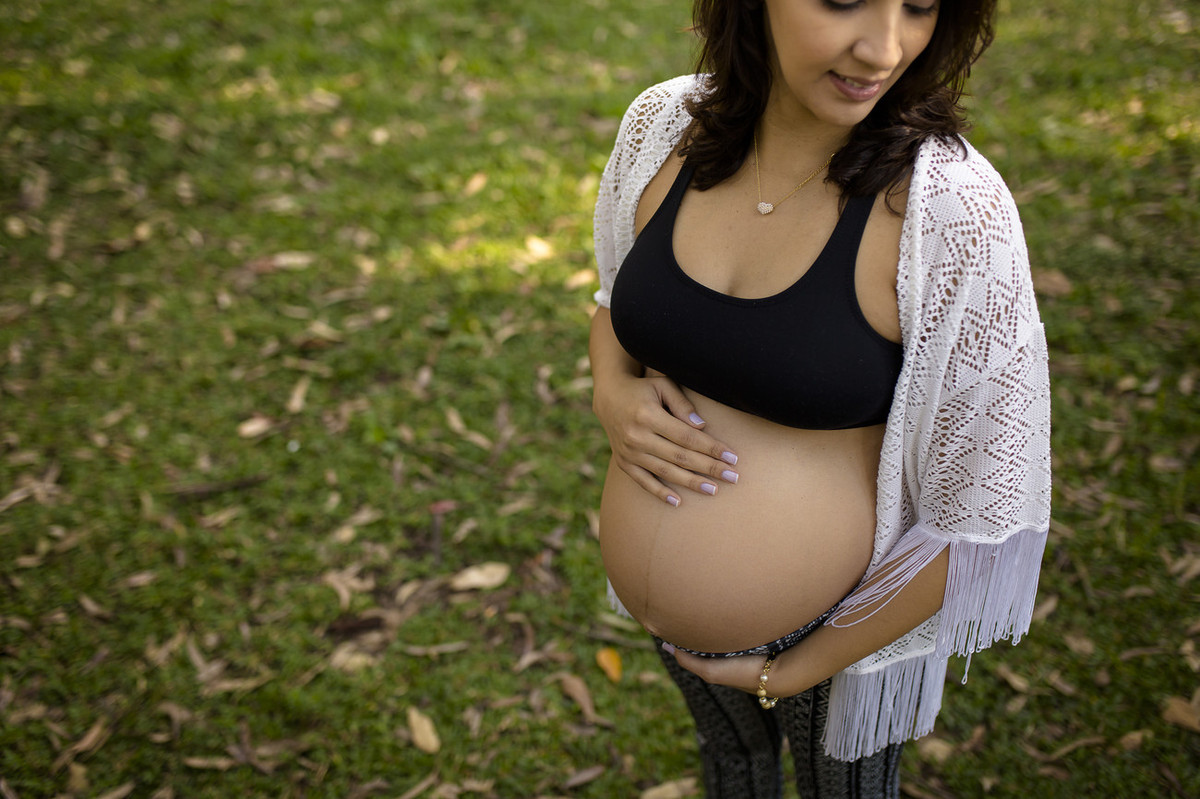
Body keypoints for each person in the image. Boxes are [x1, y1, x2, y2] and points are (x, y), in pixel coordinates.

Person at [588, 0, 1051, 796]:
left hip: (838, 626)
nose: (885, 47)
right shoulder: (666, 127)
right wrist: (610, 395)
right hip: (674, 629)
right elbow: (612, 301)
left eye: (919, 6)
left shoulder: (948, 209)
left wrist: (795, 667)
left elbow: (984, 514)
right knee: (732, 770)